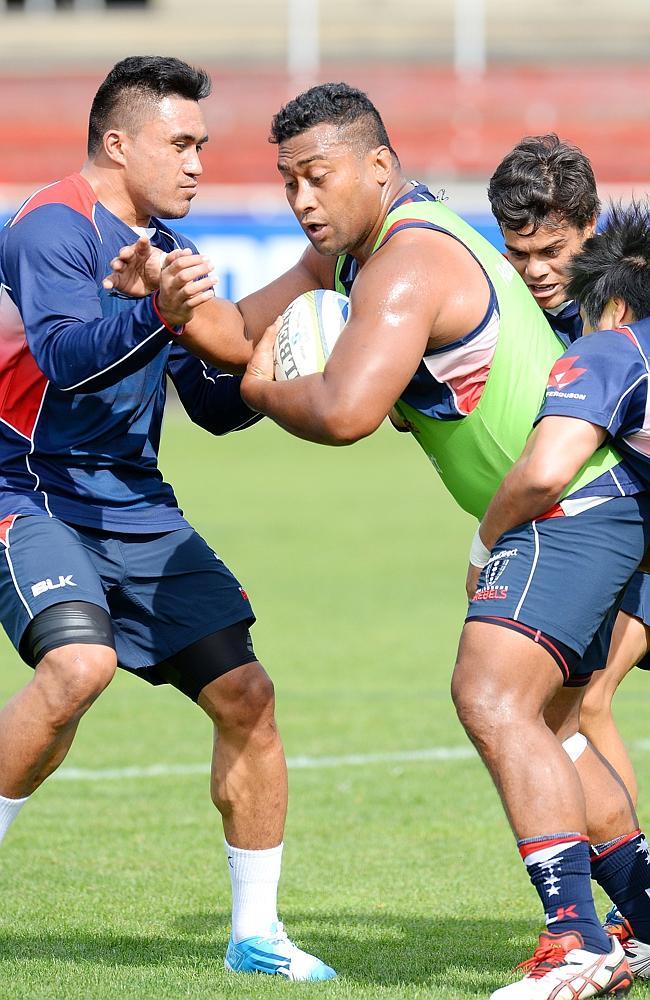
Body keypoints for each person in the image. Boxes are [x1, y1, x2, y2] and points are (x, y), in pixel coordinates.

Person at [109, 83, 645, 995]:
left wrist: (260, 393)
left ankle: (577, 942)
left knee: (488, 693)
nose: (302, 201)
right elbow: (240, 331)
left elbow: (346, 410)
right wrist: (169, 299)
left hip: (564, 502)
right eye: (288, 184)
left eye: (318, 177)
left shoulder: (408, 262)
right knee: (550, 724)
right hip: (575, 507)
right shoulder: (358, 259)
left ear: (380, 168)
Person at [0, 55, 335, 982]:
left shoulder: (166, 254)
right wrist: (159, 310)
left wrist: (286, 371)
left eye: (202, 147)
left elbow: (214, 405)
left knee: (248, 699)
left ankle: (256, 937)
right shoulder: (50, 226)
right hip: (30, 489)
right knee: (78, 665)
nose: (197, 164)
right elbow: (67, 360)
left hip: (134, 502)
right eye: (180, 144)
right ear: (118, 143)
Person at [456, 200, 650, 997]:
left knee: (503, 697)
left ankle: (578, 939)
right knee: (568, 713)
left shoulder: (611, 346)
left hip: (611, 536)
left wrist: (483, 544)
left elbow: (542, 470)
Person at [489, 136, 650, 809]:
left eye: (551, 252)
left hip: (628, 529)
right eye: (517, 254)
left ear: (592, 229)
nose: (534, 270)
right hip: (621, 531)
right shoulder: (542, 316)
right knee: (579, 703)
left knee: (580, 705)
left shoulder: (624, 306)